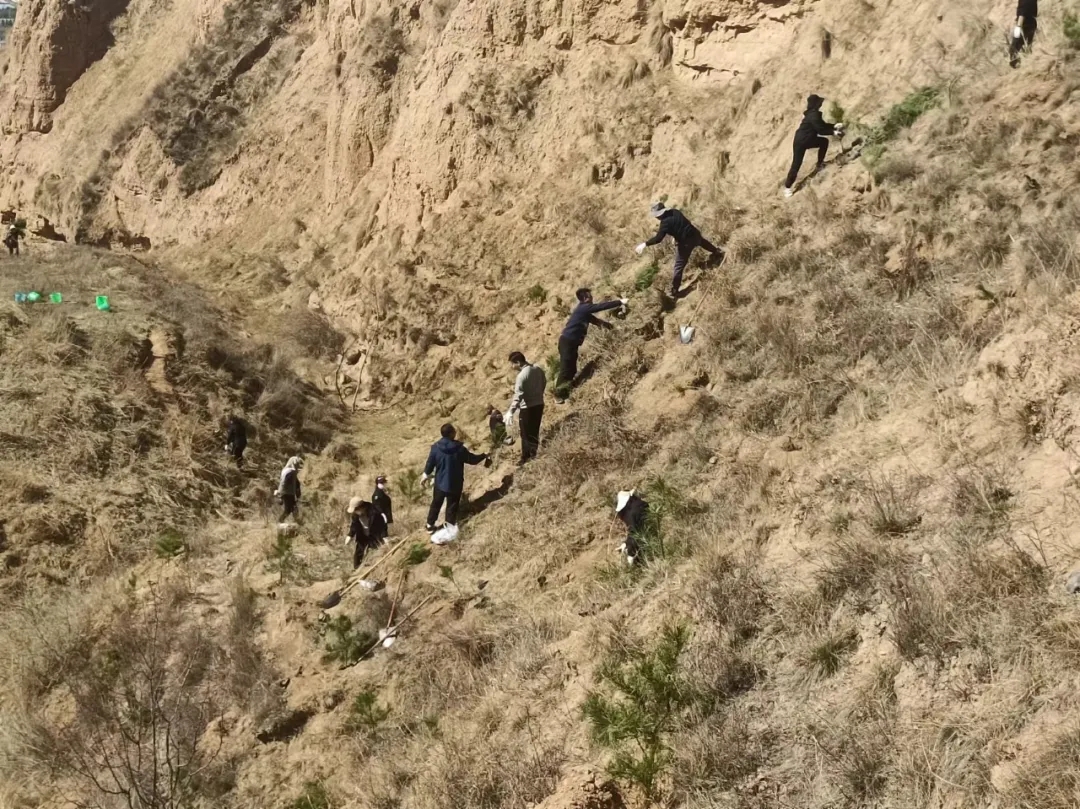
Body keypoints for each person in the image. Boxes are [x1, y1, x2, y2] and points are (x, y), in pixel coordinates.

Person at [635, 203, 724, 297]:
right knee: (702, 242)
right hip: (694, 233)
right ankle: (717, 252)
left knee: (679, 266)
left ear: (659, 215)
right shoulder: (675, 212)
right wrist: (676, 237)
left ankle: (675, 290)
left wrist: (645, 244)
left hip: (685, 243)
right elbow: (682, 224)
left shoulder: (665, 223)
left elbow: (658, 238)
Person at [555, 288, 627, 403]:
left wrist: (614, 329)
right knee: (566, 367)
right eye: (590, 296)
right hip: (567, 342)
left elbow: (598, 322)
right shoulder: (583, 308)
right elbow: (600, 307)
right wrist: (620, 302)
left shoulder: (584, 313)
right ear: (585, 298)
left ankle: (567, 390)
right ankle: (558, 395)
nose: (592, 298)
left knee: (572, 368)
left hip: (571, 343)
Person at [421, 424, 489, 533]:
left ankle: (430, 525)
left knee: (436, 503)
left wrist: (425, 474)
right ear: (451, 433)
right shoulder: (459, 449)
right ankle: (449, 527)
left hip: (440, 483)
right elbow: (472, 460)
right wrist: (483, 455)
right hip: (455, 483)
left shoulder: (435, 447)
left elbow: (430, 463)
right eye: (454, 431)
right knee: (452, 506)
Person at [783, 94, 845, 198]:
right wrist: (834, 132)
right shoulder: (814, 115)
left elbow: (821, 125)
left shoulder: (812, 114)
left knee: (823, 143)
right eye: (819, 102)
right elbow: (821, 130)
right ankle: (787, 187)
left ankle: (819, 164)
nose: (821, 103)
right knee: (797, 163)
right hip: (802, 141)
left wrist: (834, 126)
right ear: (816, 104)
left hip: (803, 140)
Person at [505, 351, 546, 464]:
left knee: (525, 433)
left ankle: (526, 457)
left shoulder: (522, 376)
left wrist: (510, 412)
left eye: (512, 364)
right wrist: (539, 394)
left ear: (518, 362)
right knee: (535, 430)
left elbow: (518, 395)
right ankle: (534, 454)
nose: (512, 367)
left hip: (527, 408)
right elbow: (544, 382)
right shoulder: (538, 369)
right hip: (539, 404)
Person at [345, 497, 388, 569]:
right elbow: (354, 526)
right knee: (358, 554)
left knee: (373, 553)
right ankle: (356, 570)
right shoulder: (355, 515)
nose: (354, 512)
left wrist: (385, 537)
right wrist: (350, 535)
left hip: (374, 536)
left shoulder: (375, 513)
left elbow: (382, 526)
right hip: (362, 536)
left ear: (361, 507)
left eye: (356, 510)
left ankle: (373, 569)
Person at [614, 489, 650, 566]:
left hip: (648, 544)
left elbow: (635, 533)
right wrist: (626, 543)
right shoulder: (641, 504)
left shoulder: (631, 513)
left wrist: (630, 551)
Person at [274, 456, 303, 522]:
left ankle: (297, 522)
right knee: (290, 509)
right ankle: (280, 522)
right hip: (287, 493)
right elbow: (285, 483)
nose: (298, 466)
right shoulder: (291, 471)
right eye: (297, 464)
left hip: (287, 493)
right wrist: (280, 495)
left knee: (293, 508)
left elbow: (296, 483)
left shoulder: (285, 470)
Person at [1009, 0, 1037, 68]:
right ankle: (1029, 63)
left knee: (1014, 49)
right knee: (1028, 46)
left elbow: (1022, 13)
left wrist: (1017, 29)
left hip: (1024, 24)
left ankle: (1018, 67)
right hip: (1032, 23)